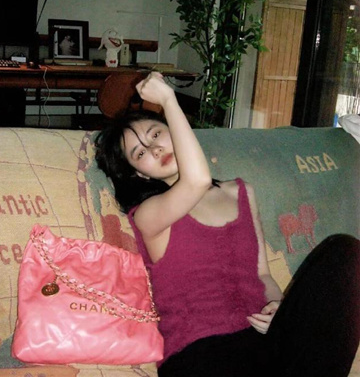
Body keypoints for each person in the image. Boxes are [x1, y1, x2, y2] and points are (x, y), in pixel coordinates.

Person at [95, 72, 360, 377]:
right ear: (140, 174)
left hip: (267, 344)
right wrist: (168, 99)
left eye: (156, 134)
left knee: (344, 252)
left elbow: (262, 274)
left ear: (175, 132)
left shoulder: (240, 192)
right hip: (200, 353)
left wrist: (277, 308)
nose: (154, 149)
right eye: (140, 153)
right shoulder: (148, 214)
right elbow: (197, 181)